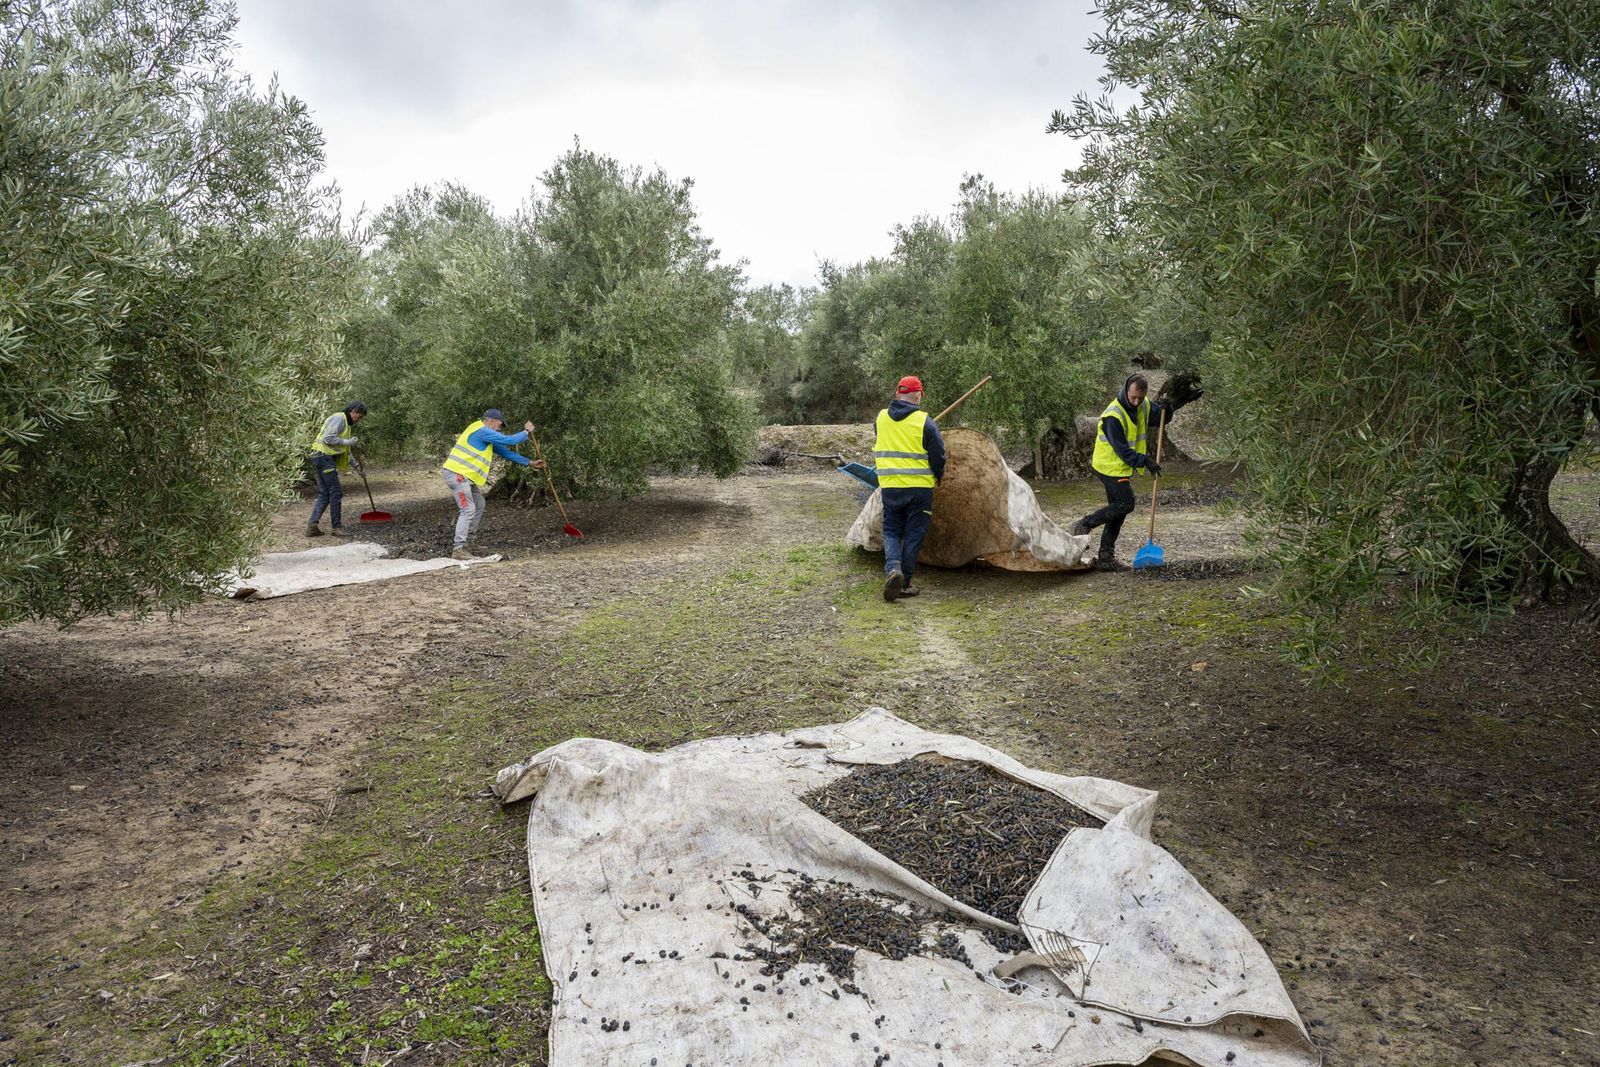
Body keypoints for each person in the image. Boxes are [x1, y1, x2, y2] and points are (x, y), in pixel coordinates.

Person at [1071, 372, 1199, 570]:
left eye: (1140, 397)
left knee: (1118, 510)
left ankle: (1106, 557)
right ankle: (1086, 523)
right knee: (1125, 504)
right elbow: (1122, 450)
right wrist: (1145, 461)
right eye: (1133, 397)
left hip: (1119, 467)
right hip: (1108, 466)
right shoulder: (1113, 415)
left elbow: (1161, 418)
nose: (1137, 402)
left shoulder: (1143, 404)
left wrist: (1168, 408)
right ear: (1126, 390)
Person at [874, 375, 946, 602]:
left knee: (892, 530)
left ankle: (893, 569)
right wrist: (939, 475)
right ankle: (904, 583)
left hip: (890, 487)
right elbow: (938, 456)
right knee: (914, 533)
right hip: (918, 490)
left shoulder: (880, 418)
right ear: (918, 395)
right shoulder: (926, 422)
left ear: (898, 394)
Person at [441, 408, 546, 560]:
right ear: (490, 421)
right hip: (458, 475)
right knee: (468, 509)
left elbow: (506, 452)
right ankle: (458, 549)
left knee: (480, 503)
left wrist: (530, 463)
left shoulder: (484, 435)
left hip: (465, 476)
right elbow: (510, 440)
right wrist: (526, 432)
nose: (500, 429)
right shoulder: (482, 430)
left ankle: (469, 543)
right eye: (500, 425)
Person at [306, 401, 367, 537]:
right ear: (354, 411)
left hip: (320, 456)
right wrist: (348, 442)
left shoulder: (346, 423)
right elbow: (329, 438)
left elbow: (345, 449)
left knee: (325, 493)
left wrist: (357, 466)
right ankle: (336, 527)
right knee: (336, 492)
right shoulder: (340, 418)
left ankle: (312, 526)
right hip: (324, 457)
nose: (359, 420)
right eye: (360, 416)